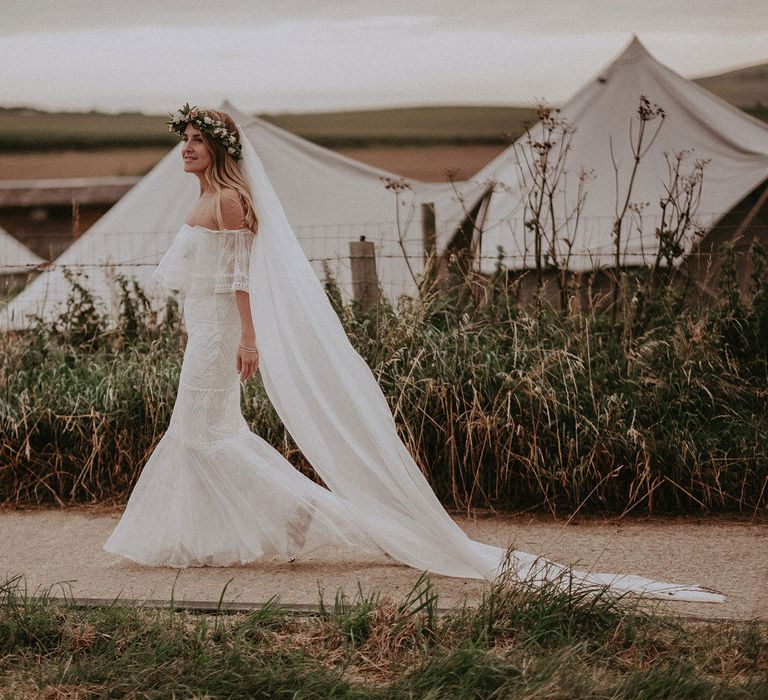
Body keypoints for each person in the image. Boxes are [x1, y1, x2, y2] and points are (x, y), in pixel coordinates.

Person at [104, 105, 722, 603]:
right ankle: (255, 526)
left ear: (218, 148)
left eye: (194, 139)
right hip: (201, 333)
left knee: (199, 433)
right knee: (211, 434)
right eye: (181, 138)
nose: (184, 147)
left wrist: (247, 338)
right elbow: (204, 278)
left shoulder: (228, 203)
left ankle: (272, 521)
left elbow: (239, 279)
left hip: (219, 338)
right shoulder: (200, 201)